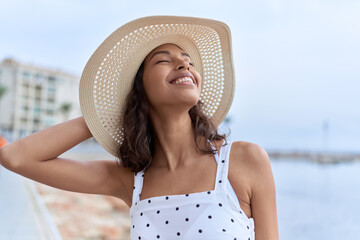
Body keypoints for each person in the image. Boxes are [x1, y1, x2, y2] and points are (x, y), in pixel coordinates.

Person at [0, 16, 278, 239]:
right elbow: (15, 157)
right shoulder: (131, 180)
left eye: (188, 61)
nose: (184, 63)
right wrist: (106, 113)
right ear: (139, 88)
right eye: (164, 60)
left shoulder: (243, 161)